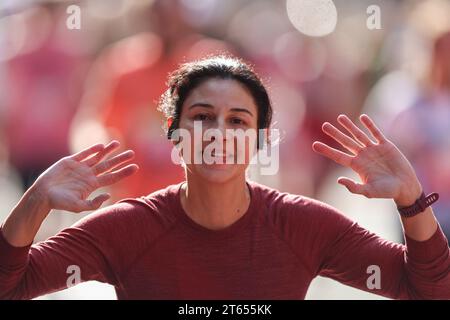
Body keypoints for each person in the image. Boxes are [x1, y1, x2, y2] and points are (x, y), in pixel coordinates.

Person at [0, 56, 449, 300]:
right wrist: (36, 199)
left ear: (259, 141)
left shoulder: (304, 226)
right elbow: (11, 286)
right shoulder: (126, 229)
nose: (218, 133)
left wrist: (412, 200)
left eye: (237, 121)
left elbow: (429, 290)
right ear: (174, 135)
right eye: (201, 117)